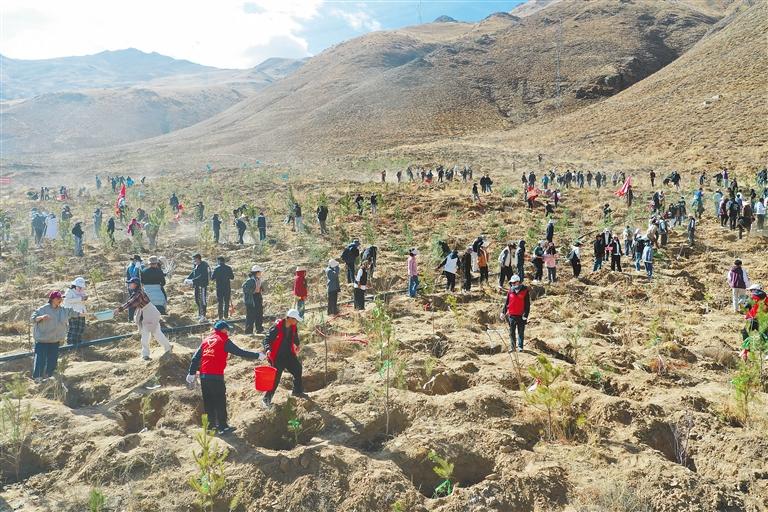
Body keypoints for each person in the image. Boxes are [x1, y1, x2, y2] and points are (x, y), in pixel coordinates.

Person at [187, 321, 265, 435]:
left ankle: (210, 427)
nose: (228, 332)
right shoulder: (223, 340)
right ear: (223, 330)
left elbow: (195, 358)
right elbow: (239, 352)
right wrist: (257, 355)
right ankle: (223, 427)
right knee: (220, 400)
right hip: (215, 376)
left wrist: (191, 373)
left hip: (204, 376)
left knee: (208, 401)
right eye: (227, 329)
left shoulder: (206, 340)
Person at [115, 278, 173, 360]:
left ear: (135, 284)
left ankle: (165, 348)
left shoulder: (139, 294)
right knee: (149, 334)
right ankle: (148, 353)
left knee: (155, 334)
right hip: (147, 314)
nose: (129, 285)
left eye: (131, 283)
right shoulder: (137, 292)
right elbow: (131, 302)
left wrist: (119, 309)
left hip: (150, 314)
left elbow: (131, 302)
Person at [31, 291, 84, 380]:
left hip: (55, 341)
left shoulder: (63, 310)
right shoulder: (42, 309)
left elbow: (73, 313)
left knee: (53, 360)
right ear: (52, 299)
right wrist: (41, 317)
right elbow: (32, 319)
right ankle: (38, 378)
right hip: (42, 341)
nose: (60, 300)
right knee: (40, 360)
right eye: (58, 298)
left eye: (61, 298)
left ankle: (50, 377)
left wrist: (84, 314)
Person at [262, 309, 309, 409]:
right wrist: (267, 349)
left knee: (297, 369)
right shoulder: (276, 327)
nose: (297, 321)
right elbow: (266, 339)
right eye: (296, 319)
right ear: (290, 318)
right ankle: (266, 400)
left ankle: (297, 391)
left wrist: (297, 344)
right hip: (277, 356)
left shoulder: (293, 327)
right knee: (275, 379)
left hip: (288, 354)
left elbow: (295, 336)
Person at [500, 275, 530, 352]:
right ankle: (513, 347)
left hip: (521, 315)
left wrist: (526, 315)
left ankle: (520, 347)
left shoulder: (525, 290)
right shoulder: (510, 290)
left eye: (514, 283)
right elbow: (507, 303)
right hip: (512, 315)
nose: (512, 284)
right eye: (511, 283)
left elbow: (527, 304)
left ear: (518, 282)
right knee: (512, 332)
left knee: (520, 332)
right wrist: (503, 312)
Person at [740, 284, 768, 360]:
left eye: (751, 290)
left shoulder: (753, 297)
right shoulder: (766, 298)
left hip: (753, 319)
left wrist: (744, 312)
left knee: (746, 333)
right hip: (763, 320)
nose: (750, 292)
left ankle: (745, 351)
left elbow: (746, 307)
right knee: (765, 336)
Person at [63, 278, 88, 346]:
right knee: (73, 329)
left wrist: (85, 298)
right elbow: (67, 300)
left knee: (80, 328)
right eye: (79, 287)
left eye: (82, 287)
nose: (80, 288)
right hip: (72, 313)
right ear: (75, 285)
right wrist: (80, 299)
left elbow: (82, 302)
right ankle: (70, 345)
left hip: (81, 313)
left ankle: (78, 343)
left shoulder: (82, 292)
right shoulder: (69, 291)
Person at [187, 254, 210, 322]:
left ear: (198, 259)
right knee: (197, 299)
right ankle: (200, 314)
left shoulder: (204, 265)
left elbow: (202, 275)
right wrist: (188, 279)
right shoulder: (195, 265)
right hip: (196, 285)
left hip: (202, 285)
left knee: (202, 300)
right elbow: (193, 273)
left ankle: (203, 316)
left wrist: (193, 281)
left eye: (194, 259)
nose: (193, 260)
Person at [243, 265, 265, 334]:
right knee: (251, 315)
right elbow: (245, 288)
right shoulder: (250, 280)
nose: (260, 273)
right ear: (257, 272)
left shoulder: (258, 279)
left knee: (259, 313)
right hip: (252, 298)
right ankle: (248, 331)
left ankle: (259, 329)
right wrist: (252, 291)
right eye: (260, 272)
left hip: (257, 297)